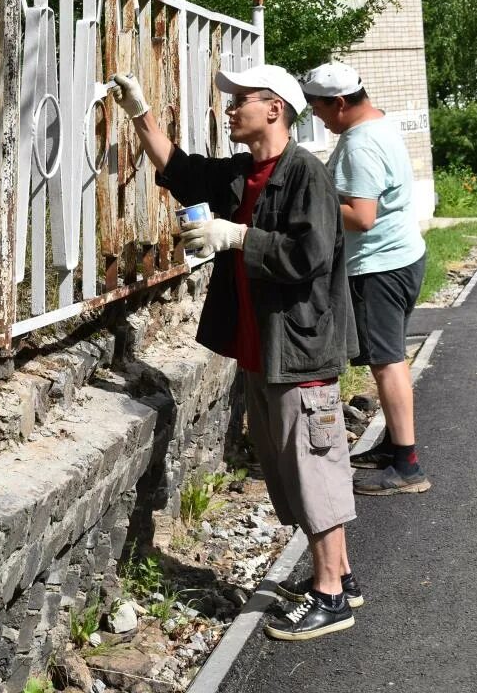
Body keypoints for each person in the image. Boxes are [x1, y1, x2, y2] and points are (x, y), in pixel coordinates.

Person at [110, 65, 360, 641]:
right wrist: (140, 112)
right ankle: (338, 577)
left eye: (239, 100)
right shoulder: (244, 173)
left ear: (273, 109)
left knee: (313, 466)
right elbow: (180, 170)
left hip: (300, 350)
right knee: (289, 471)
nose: (228, 109)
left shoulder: (306, 176)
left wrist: (238, 236)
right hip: (262, 351)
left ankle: (328, 597)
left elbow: (310, 256)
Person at [301, 62, 431, 496]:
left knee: (387, 362)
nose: (317, 117)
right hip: (402, 257)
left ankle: (408, 467)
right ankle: (394, 447)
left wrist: (309, 204)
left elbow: (361, 216)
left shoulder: (360, 145)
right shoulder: (380, 124)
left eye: (319, 109)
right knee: (388, 357)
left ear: (339, 103)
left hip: (379, 267)